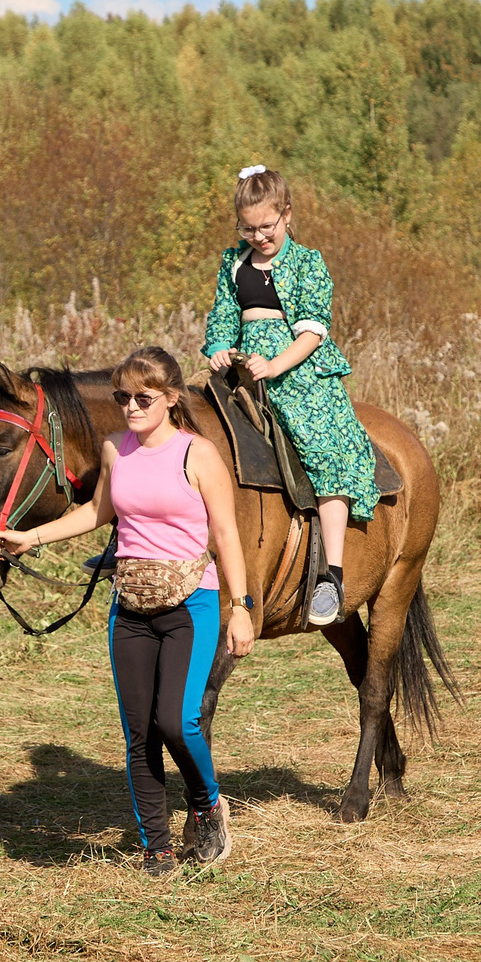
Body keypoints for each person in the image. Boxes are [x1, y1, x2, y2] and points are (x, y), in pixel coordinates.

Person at [0, 346, 258, 877]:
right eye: (122, 397)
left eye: (143, 398)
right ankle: (156, 847)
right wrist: (29, 538)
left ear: (171, 398)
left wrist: (241, 606)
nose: (131, 407)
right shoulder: (116, 448)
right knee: (140, 735)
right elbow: (97, 511)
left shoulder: (198, 454)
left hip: (191, 603)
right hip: (130, 607)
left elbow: (226, 534)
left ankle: (207, 805)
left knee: (177, 722)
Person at [202, 164, 379, 627]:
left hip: (298, 373)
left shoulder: (307, 262)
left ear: (286, 215)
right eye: (248, 228)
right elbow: (223, 314)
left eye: (267, 226)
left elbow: (312, 332)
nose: (259, 236)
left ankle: (331, 576)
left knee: (327, 452)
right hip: (243, 369)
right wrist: (219, 346)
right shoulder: (233, 262)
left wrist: (275, 365)